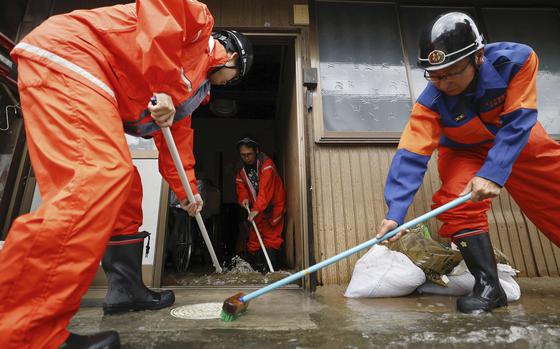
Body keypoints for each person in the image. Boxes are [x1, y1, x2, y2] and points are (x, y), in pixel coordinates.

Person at [0, 1, 252, 348]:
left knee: (125, 187)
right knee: (97, 176)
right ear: (233, 57)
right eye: (233, 77)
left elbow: (176, 144)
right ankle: (22, 330)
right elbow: (161, 8)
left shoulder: (191, 93)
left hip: (89, 75)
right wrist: (162, 84)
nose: (226, 84)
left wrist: (187, 192)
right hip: (73, 54)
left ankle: (125, 290)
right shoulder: (199, 28)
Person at [376, 12, 560, 314]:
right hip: (464, 149)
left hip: (517, 137)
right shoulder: (430, 102)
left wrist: (493, 172)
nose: (443, 83)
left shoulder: (517, 60)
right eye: (434, 74)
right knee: (456, 202)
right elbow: (412, 153)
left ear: (478, 56)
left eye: (451, 72)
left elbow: (519, 119)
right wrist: (396, 212)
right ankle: (489, 287)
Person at [235, 136, 285, 272]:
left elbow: (265, 191)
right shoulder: (241, 169)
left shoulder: (267, 165)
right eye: (243, 155)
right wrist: (244, 198)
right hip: (258, 208)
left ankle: (271, 273)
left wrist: (256, 209)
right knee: (254, 242)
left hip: (272, 207)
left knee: (271, 239)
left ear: (256, 151)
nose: (246, 158)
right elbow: (241, 187)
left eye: (249, 154)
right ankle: (257, 273)